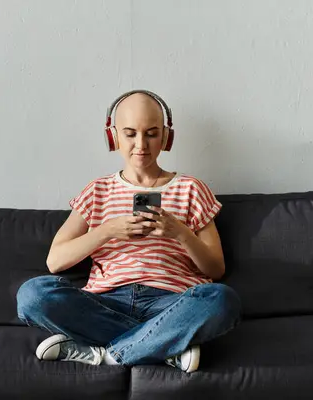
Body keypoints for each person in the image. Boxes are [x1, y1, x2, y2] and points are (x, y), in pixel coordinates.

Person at [16, 90, 241, 373]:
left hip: (172, 304)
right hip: (105, 302)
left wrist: (181, 233)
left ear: (166, 137)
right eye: (130, 133)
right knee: (32, 294)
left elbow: (216, 268)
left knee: (222, 300)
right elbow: (55, 261)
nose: (141, 144)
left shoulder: (191, 189)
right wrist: (108, 230)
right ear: (114, 137)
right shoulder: (97, 191)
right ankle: (162, 346)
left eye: (151, 133)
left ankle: (107, 354)